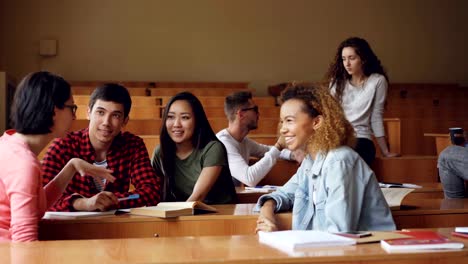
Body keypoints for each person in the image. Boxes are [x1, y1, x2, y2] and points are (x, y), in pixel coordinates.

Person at [255, 83, 395, 233]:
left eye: (289, 120)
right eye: (282, 122)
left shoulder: (339, 161)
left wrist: (278, 237)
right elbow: (284, 194)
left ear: (316, 122)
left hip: (365, 253)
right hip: (328, 250)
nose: (282, 129)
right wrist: (267, 213)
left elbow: (339, 233)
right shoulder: (311, 160)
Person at [0, 72, 115, 242]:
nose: (75, 116)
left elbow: (37, 206)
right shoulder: (24, 164)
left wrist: (72, 167)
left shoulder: (8, 142)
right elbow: (24, 241)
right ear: (55, 111)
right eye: (72, 108)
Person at [42, 83, 161, 212]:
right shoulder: (63, 145)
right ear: (88, 113)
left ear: (125, 120)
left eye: (115, 115)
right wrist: (82, 203)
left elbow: (151, 192)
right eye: (100, 112)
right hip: (69, 228)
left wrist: (112, 200)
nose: (106, 122)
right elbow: (41, 198)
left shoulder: (132, 145)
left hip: (114, 227)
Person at [325, 37, 399, 166]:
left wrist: (385, 151)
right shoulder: (336, 83)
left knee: (345, 157)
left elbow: (376, 117)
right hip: (339, 138)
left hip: (361, 139)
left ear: (363, 59)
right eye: (343, 59)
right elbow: (331, 116)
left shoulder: (377, 81)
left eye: (352, 58)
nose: (347, 63)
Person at [151, 92, 236, 204]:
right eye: (170, 117)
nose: (176, 124)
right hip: (185, 214)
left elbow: (198, 197)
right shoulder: (161, 152)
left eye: (185, 117)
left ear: (197, 121)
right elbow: (151, 190)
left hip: (219, 214)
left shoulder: (212, 149)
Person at [216, 91, 304, 187]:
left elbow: (266, 150)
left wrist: (293, 155)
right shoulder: (223, 143)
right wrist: (279, 146)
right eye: (255, 109)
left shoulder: (243, 141)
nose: (258, 114)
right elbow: (250, 179)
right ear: (241, 114)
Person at [438, 131, 468, 198]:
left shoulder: (445, 152)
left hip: (452, 200)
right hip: (459, 204)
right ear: (465, 139)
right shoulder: (458, 153)